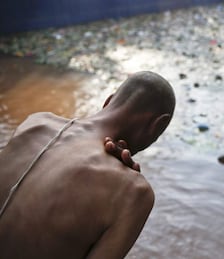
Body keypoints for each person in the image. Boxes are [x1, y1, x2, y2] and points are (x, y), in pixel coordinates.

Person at [0, 71, 175, 259]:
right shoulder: (135, 193)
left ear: (108, 101)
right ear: (157, 125)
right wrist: (127, 187)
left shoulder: (34, 123)